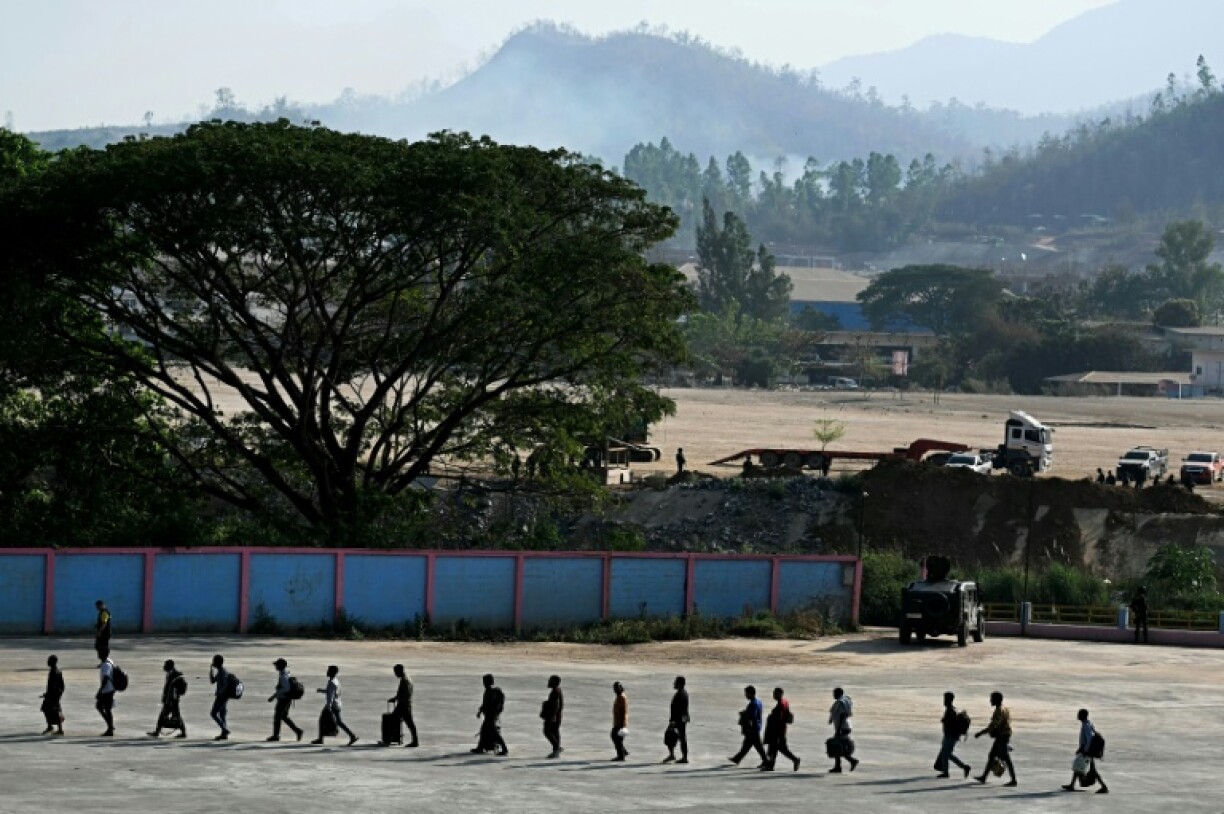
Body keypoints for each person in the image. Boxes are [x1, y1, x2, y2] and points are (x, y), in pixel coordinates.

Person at [974, 691, 1016, 786]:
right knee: (992, 755)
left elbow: (993, 726)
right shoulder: (1005, 708)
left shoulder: (998, 711)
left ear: (996, 700)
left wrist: (980, 733)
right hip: (1003, 735)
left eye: (992, 698)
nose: (990, 700)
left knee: (1006, 758)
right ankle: (984, 777)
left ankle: (1013, 780)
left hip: (1002, 736)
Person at [1062, 709, 1109, 794]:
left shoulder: (1086, 725)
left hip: (1087, 751)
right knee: (1078, 766)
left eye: (1079, 714)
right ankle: (1072, 785)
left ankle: (1104, 787)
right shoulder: (1088, 723)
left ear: (1083, 715)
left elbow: (1090, 738)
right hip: (1085, 750)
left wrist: (1085, 750)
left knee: (1088, 769)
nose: (1077, 715)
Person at [312, 665, 357, 746]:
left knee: (323, 720)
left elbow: (331, 696)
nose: (327, 672)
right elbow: (332, 692)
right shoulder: (336, 681)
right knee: (339, 722)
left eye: (328, 670)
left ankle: (320, 739)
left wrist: (328, 707)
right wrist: (322, 690)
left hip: (332, 705)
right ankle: (352, 736)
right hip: (337, 703)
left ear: (331, 672)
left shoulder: (332, 682)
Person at [761, 687, 800, 772]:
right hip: (781, 730)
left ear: (780, 694)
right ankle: (770, 764)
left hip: (778, 730)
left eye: (775, 693)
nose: (773, 695)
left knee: (776, 748)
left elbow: (779, 718)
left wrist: (772, 717)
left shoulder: (781, 704)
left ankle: (771, 765)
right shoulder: (785, 702)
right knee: (777, 748)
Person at [935, 691, 970, 779]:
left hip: (951, 736)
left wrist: (945, 721)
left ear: (949, 700)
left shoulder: (951, 711)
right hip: (949, 735)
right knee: (947, 754)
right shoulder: (951, 710)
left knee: (945, 754)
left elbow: (952, 724)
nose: (944, 701)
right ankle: (963, 767)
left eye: (945, 699)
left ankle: (947, 772)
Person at [729, 685, 767, 766]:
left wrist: (743, 714)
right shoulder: (758, 701)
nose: (745, 695)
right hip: (756, 727)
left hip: (752, 728)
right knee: (750, 745)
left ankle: (766, 761)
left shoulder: (753, 704)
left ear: (750, 693)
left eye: (746, 693)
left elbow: (751, 716)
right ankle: (737, 759)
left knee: (755, 746)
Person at [148, 659, 187, 738]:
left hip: (172, 700)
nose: (164, 667)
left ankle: (157, 732)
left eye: (166, 665)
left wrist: (171, 700)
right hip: (169, 699)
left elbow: (174, 690)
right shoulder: (170, 674)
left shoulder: (175, 675)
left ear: (170, 666)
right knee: (175, 716)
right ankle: (183, 733)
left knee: (165, 716)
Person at [267, 658, 303, 742]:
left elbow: (286, 688)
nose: (275, 666)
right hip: (286, 698)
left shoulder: (283, 676)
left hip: (284, 699)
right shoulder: (286, 672)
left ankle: (276, 736)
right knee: (283, 716)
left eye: (277, 665)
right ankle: (297, 731)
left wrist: (274, 695)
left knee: (277, 717)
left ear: (281, 666)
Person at [384, 664, 419, 747]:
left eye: (396, 672)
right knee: (408, 723)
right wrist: (395, 698)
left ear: (400, 671)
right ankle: (415, 741)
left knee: (394, 721)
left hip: (403, 705)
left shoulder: (405, 680)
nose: (395, 674)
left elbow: (404, 693)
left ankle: (388, 740)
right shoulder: (407, 678)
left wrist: (397, 699)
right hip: (406, 704)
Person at [474, 673, 509, 755]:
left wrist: (485, 711)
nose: (484, 683)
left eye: (485, 681)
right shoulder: (488, 691)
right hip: (489, 715)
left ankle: (504, 749)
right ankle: (480, 747)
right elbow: (485, 703)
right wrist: (480, 711)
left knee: (494, 733)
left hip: (491, 715)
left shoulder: (491, 692)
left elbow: (488, 704)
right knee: (484, 731)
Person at [828, 687, 858, 772]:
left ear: (839, 693)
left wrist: (838, 729)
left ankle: (851, 761)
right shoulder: (842, 701)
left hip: (843, 727)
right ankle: (839, 766)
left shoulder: (841, 702)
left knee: (837, 746)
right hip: (845, 726)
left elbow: (842, 715)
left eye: (834, 693)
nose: (833, 695)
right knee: (837, 746)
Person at [664, 676, 689, 763]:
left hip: (679, 719)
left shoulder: (681, 694)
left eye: (676, 682)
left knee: (670, 735)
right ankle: (679, 756)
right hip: (682, 719)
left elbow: (678, 709)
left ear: (680, 683)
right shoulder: (683, 693)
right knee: (681, 737)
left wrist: (673, 721)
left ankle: (677, 756)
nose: (674, 684)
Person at [40, 655, 65, 736]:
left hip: (52, 695)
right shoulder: (57, 671)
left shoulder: (53, 672)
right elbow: (62, 685)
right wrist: (59, 694)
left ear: (52, 662)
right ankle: (51, 726)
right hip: (54, 695)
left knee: (52, 710)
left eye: (49, 660)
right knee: (49, 710)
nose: (47, 662)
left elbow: (53, 686)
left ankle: (58, 729)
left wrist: (49, 695)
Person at [209, 654, 231, 741]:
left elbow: (226, 684)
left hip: (221, 696)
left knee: (213, 713)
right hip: (222, 696)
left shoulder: (223, 672)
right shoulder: (219, 671)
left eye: (214, 661)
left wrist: (221, 693)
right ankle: (224, 734)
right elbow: (212, 681)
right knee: (222, 715)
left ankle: (225, 730)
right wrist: (211, 670)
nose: (213, 662)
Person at [542, 675, 564, 758]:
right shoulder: (557, 690)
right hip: (556, 715)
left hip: (552, 716)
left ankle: (556, 748)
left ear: (554, 682)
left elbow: (556, 705)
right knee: (555, 731)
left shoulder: (555, 692)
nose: (548, 682)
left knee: (547, 731)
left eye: (550, 681)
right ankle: (557, 749)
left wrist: (553, 716)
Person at [97, 655, 116, 737]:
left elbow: (106, 678)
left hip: (107, 690)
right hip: (109, 689)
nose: (98, 654)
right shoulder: (108, 661)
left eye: (100, 652)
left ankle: (110, 729)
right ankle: (110, 726)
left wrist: (100, 690)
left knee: (106, 709)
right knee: (101, 707)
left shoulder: (106, 665)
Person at [611, 682, 629, 761]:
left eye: (617, 688)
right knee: (616, 737)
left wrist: (623, 723)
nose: (615, 690)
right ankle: (623, 752)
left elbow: (624, 711)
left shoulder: (622, 697)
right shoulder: (619, 696)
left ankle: (621, 755)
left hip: (620, 722)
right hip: (617, 721)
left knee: (616, 738)